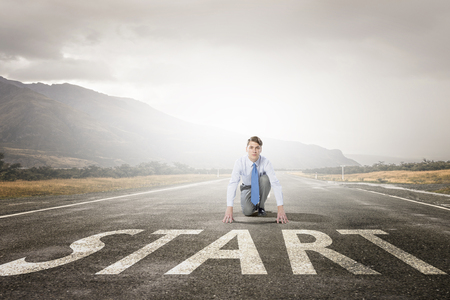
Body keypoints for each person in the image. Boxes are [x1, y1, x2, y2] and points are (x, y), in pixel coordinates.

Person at [222, 136, 288, 224]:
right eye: (251, 147)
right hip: (247, 187)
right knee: (248, 212)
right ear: (246, 149)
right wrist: (229, 207)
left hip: (261, 185)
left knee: (265, 179)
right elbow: (233, 183)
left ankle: (261, 206)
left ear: (260, 149)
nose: (254, 150)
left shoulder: (266, 162)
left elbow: (275, 183)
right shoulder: (240, 162)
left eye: (257, 148)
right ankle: (253, 205)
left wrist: (280, 207)